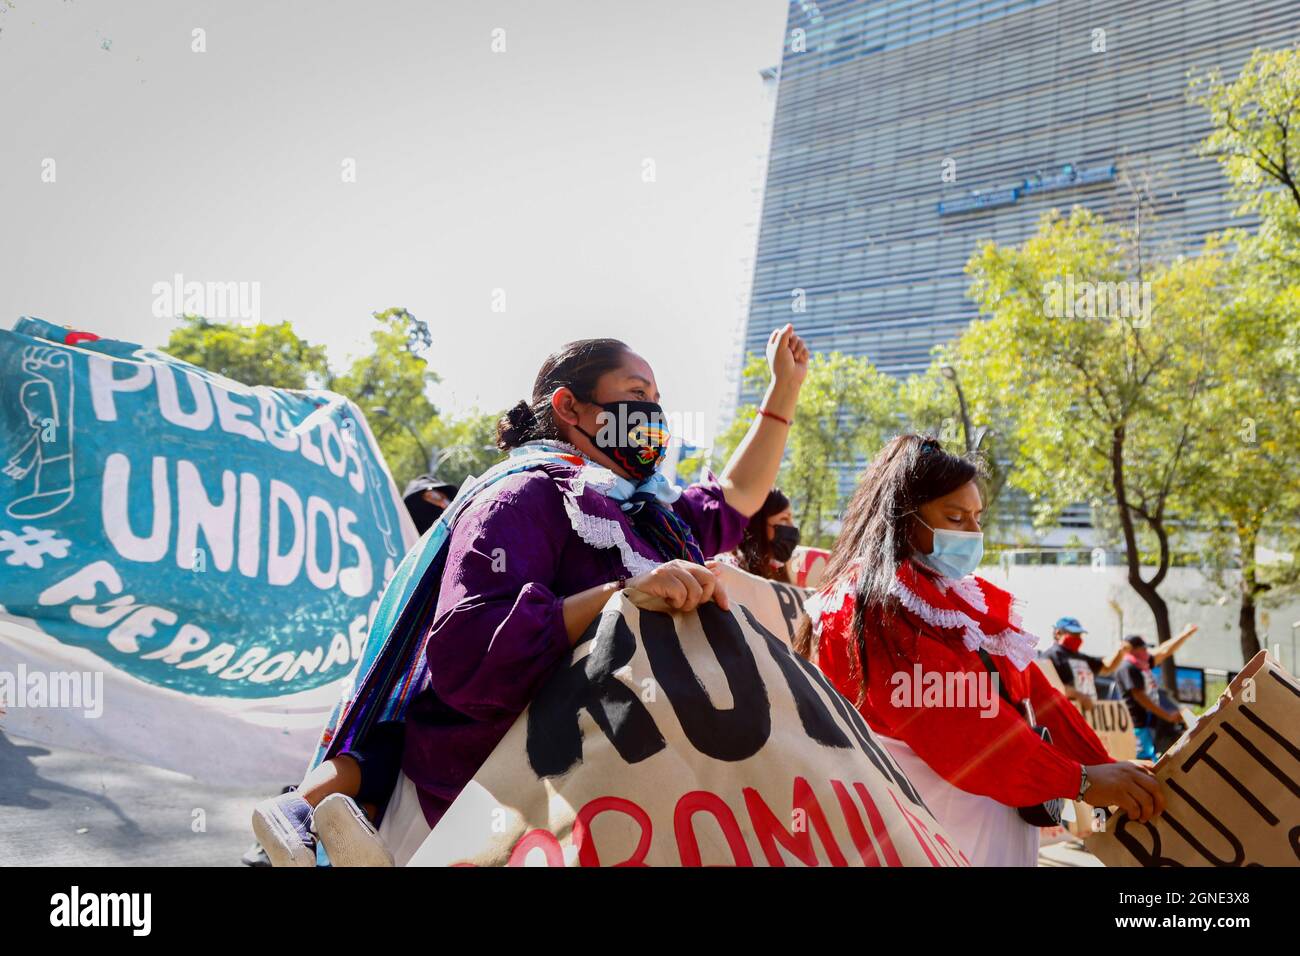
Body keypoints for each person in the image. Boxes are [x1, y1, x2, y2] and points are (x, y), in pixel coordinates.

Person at [253, 325, 810, 865]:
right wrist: (619, 595)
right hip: (485, 815)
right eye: (638, 396)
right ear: (570, 407)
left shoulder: (653, 519)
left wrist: (785, 387)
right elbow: (470, 655)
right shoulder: (522, 496)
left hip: (612, 810)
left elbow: (735, 497)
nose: (655, 415)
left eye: (658, 400)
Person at [798, 434, 1166, 866]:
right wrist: (1080, 780)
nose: (975, 533)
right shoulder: (869, 603)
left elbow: (1034, 695)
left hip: (988, 822)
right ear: (902, 516)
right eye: (956, 518)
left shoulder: (960, 599)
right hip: (924, 831)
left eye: (977, 517)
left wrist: (1103, 765)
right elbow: (957, 723)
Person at [1113, 629, 1197, 761]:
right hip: (1139, 726)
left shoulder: (1142, 664)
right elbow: (1140, 697)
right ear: (1134, 650)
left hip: (1149, 722)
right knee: (1146, 761)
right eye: (1143, 649)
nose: (1147, 652)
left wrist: (1185, 634)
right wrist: (1167, 715)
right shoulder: (1128, 667)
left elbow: (1164, 651)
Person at [716, 487, 801, 582]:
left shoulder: (779, 569)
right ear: (759, 524)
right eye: (784, 519)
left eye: (791, 519)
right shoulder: (726, 569)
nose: (793, 526)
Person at [1040, 616, 1124, 711]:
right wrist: (1079, 696)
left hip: (1084, 713)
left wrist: (1120, 652)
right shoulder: (1050, 656)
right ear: (1058, 633)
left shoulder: (1081, 657)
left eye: (1079, 634)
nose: (1078, 638)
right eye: (1073, 634)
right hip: (1063, 712)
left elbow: (1106, 668)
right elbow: (1051, 685)